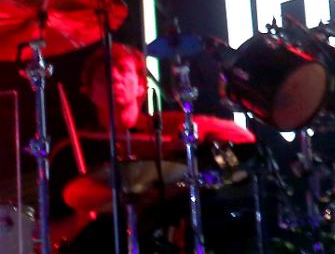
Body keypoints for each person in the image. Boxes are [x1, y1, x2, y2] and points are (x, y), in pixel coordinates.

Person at [50, 42, 253, 251]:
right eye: (103, 75)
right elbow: (46, 234)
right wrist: (78, 221)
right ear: (88, 91)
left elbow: (244, 141)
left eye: (122, 70)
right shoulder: (70, 151)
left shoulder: (167, 129)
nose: (114, 78)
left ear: (141, 86)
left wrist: (181, 147)